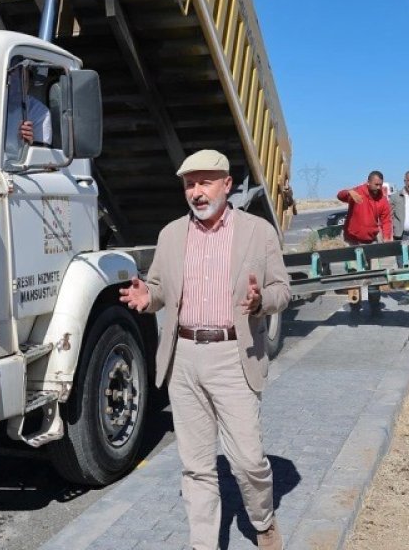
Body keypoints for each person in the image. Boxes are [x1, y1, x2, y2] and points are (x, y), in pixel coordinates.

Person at [119, 149, 288, 550]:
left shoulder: (257, 231)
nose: (197, 192)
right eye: (189, 184)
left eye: (205, 182)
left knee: (247, 461)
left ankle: (263, 520)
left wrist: (260, 300)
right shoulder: (171, 234)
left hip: (234, 355)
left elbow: (283, 290)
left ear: (227, 185)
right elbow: (160, 289)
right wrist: (149, 296)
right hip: (184, 358)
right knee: (196, 466)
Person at [336, 171, 392, 245]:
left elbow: (386, 221)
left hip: (370, 240)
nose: (378, 187)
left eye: (380, 185)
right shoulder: (357, 192)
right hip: (351, 240)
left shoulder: (383, 200)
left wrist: (386, 237)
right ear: (368, 182)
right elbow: (340, 196)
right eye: (376, 184)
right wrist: (348, 192)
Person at [5, 65, 52, 153]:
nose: (17, 87)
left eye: (22, 79)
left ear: (29, 82)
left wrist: (30, 143)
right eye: (13, 80)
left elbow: (42, 156)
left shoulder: (40, 112)